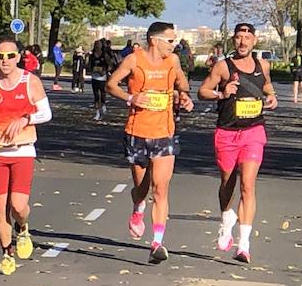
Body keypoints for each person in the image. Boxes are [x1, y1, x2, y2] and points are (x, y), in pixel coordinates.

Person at [106, 21, 194, 264]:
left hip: (164, 132)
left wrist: (182, 95)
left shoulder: (173, 61)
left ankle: (157, 242)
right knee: (142, 188)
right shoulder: (134, 60)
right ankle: (137, 208)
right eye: (169, 40)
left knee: (161, 188)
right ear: (154, 40)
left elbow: (183, 84)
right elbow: (111, 84)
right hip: (137, 132)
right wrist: (132, 97)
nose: (173, 45)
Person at [0, 34, 52, 275]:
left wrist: (26, 118)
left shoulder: (30, 81)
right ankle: (6, 253)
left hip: (23, 150)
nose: (4, 61)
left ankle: (23, 228)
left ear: (18, 58)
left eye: (9, 56)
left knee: (18, 205)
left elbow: (46, 113)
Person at [198, 22, 277, 263]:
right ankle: (226, 220)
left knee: (248, 185)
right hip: (227, 132)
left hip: (254, 131)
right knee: (227, 183)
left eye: (247, 37)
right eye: (239, 37)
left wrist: (271, 96)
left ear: (255, 40)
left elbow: (265, 84)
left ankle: (244, 243)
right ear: (234, 40)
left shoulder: (263, 64)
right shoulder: (223, 67)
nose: (243, 42)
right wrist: (222, 93)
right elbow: (203, 91)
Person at [89, 37, 115, 121]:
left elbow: (110, 65)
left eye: (99, 45)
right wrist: (91, 70)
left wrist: (105, 71)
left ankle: (103, 106)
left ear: (101, 46)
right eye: (96, 45)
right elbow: (89, 65)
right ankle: (97, 113)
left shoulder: (104, 55)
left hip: (102, 77)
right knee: (96, 95)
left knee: (103, 93)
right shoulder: (92, 55)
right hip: (94, 77)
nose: (97, 46)